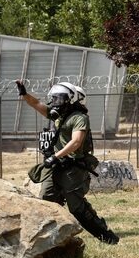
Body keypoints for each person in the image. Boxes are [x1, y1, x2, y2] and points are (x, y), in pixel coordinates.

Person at [16, 80, 119, 244]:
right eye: (54, 98)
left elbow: (76, 142)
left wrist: (55, 156)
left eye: (59, 98)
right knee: (46, 199)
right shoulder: (58, 115)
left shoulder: (80, 118)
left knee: (76, 207)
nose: (55, 102)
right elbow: (36, 103)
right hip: (56, 165)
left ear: (70, 100)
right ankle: (51, 240)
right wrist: (24, 94)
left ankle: (107, 237)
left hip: (73, 167)